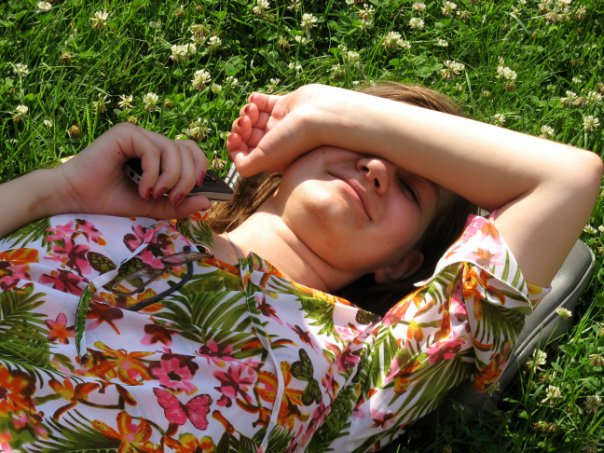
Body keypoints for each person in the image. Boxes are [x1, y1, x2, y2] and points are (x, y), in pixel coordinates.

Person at [0, 82, 600, 452]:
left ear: (404, 262)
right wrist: (53, 191)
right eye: (362, 147)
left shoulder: (365, 369)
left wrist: (327, 107)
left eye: (409, 188)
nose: (377, 169)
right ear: (291, 154)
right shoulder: (108, 209)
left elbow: (567, 178)